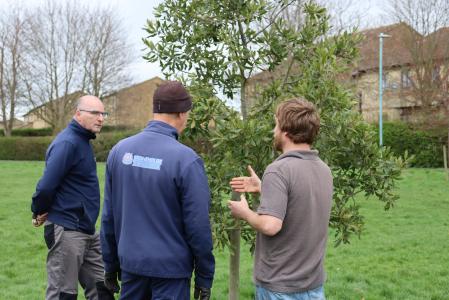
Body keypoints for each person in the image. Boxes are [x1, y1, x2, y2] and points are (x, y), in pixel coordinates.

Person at [100, 81, 215, 300]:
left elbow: (109, 217)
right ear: (182, 114)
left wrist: (110, 265)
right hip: (170, 273)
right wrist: (204, 277)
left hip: (131, 267)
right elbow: (198, 225)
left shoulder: (119, 152)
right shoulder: (187, 160)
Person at [228, 98, 333, 300]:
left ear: (285, 131)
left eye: (276, 125)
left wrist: (245, 212)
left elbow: (270, 225)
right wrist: (264, 189)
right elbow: (299, 205)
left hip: (280, 286)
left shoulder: (279, 170)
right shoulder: (323, 169)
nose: (273, 131)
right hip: (313, 285)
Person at [31, 95, 114, 300]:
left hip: (87, 230)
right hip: (68, 229)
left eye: (103, 113)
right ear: (78, 114)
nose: (101, 118)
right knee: (63, 294)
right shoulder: (68, 143)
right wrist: (38, 210)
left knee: (102, 289)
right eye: (95, 113)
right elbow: (46, 186)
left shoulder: (82, 141)